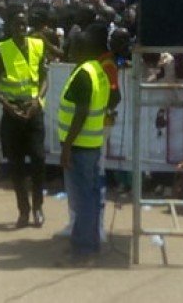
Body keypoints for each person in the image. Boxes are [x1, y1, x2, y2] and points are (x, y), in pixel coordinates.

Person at [56, 22, 111, 267]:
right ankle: (90, 245)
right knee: (88, 195)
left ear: (83, 50)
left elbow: (80, 113)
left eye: (75, 47)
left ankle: (82, 249)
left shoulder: (84, 73)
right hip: (91, 143)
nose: (70, 51)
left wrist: (66, 146)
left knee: (83, 200)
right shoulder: (97, 69)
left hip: (79, 146)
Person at [0, 11, 48, 228]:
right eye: (17, 24)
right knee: (15, 165)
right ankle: (23, 211)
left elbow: (44, 78)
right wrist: (7, 105)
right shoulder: (0, 51)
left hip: (34, 112)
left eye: (24, 24)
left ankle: (38, 207)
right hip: (12, 113)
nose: (21, 29)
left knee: (39, 158)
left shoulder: (38, 46)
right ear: (10, 27)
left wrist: (38, 100)